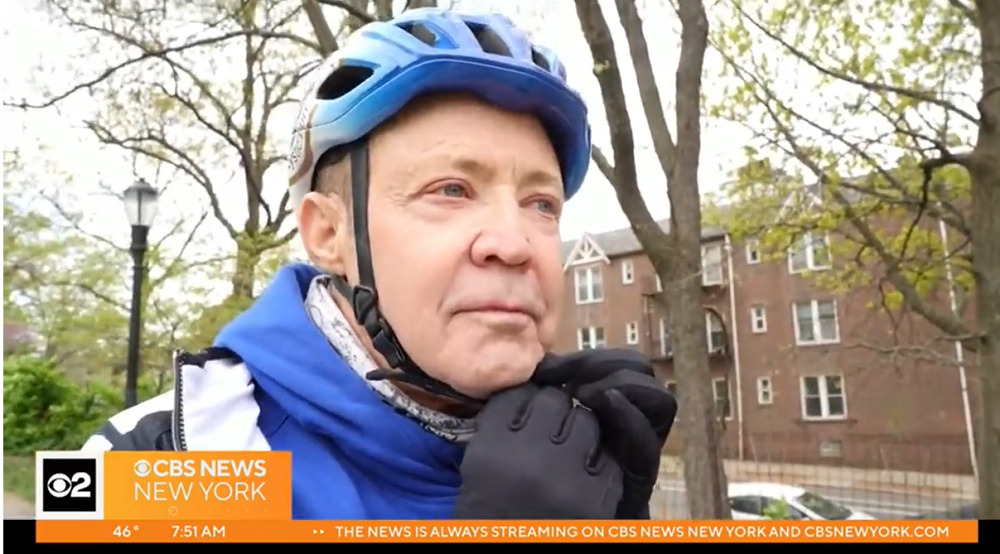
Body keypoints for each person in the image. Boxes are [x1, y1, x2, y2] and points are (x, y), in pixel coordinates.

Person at [83, 7, 677, 520]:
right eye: (451, 190)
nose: (514, 242)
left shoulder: (589, 455)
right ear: (329, 233)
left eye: (541, 203)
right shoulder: (165, 452)